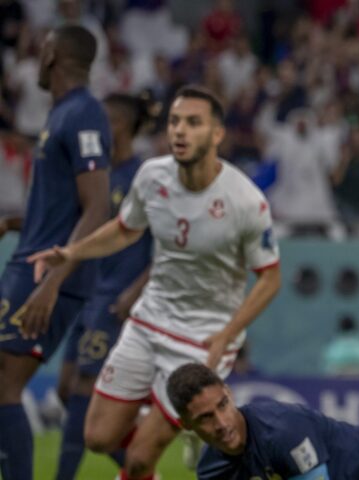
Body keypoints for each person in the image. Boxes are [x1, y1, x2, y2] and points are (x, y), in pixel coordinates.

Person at [28, 85, 282, 480]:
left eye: (193, 123)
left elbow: (270, 278)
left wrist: (228, 335)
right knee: (96, 438)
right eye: (175, 122)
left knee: (140, 460)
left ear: (217, 135)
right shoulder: (152, 176)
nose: (180, 131)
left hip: (202, 338)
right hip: (148, 321)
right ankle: (168, 421)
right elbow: (125, 230)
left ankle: (166, 434)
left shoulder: (246, 201)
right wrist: (72, 252)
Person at [0, 25, 111, 480]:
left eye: (41, 47)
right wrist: (11, 224)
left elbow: (99, 207)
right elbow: (61, 212)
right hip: (32, 262)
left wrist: (51, 281)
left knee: (5, 385)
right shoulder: (62, 114)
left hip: (46, 275)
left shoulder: (84, 114)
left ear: (52, 56)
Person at [53, 93, 157, 480]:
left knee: (83, 386)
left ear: (123, 125)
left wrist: (134, 293)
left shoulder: (143, 176)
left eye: (107, 121)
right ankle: (140, 472)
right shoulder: (97, 174)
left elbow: (164, 249)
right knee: (66, 389)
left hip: (114, 296)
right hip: (84, 293)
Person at [166, 363, 359, 480]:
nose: (221, 423)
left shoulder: (282, 431)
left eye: (223, 406)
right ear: (186, 424)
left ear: (229, 393)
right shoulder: (212, 469)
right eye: (205, 418)